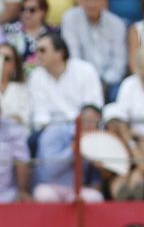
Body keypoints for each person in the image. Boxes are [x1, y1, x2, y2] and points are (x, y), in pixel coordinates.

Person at [28, 32, 102, 189]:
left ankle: (95, 185)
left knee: (98, 138)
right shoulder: (36, 76)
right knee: (33, 140)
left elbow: (94, 108)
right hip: (52, 131)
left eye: (43, 50)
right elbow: (40, 117)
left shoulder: (85, 70)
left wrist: (77, 129)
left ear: (59, 53)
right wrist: (61, 131)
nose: (37, 55)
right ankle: (39, 187)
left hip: (85, 127)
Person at [60, 0, 126, 96]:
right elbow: (73, 56)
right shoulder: (70, 19)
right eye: (87, 0)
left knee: (119, 94)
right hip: (80, 79)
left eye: (96, 0)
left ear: (105, 1)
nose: (91, 4)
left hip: (110, 83)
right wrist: (89, 82)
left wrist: (104, 82)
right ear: (79, 1)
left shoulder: (117, 24)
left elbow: (119, 61)